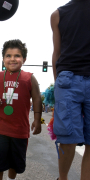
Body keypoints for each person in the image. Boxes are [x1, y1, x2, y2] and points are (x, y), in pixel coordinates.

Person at [0, 39, 42, 180]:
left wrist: (37, 120)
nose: (12, 59)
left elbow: (37, 99)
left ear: (24, 59)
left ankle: (12, 175)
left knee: (15, 165)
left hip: (20, 130)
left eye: (17, 56)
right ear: (3, 59)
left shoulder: (29, 78)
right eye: (8, 56)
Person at [51, 1, 90, 179]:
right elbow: (56, 53)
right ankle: (62, 178)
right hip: (67, 81)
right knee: (67, 140)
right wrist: (56, 84)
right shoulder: (58, 15)